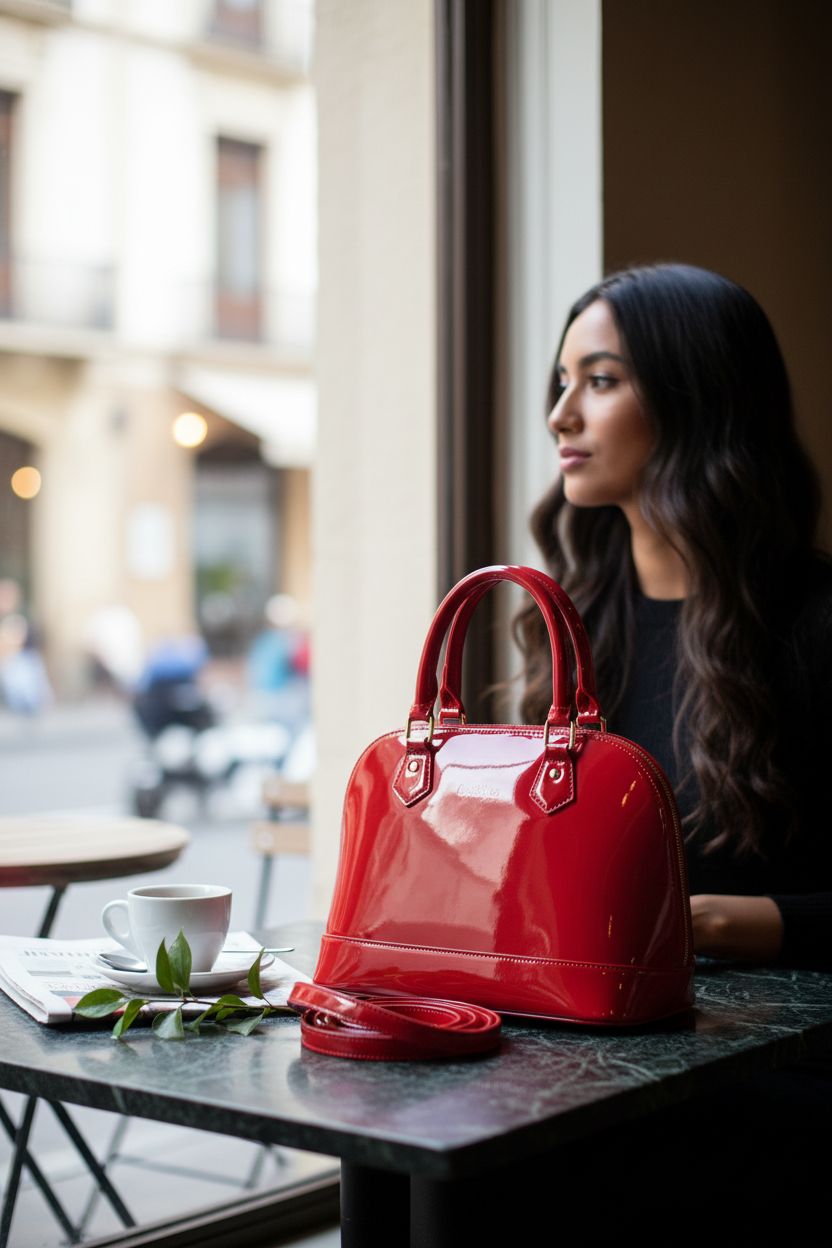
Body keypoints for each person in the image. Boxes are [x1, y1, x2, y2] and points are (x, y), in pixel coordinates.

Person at [515, 262, 831, 1232]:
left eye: (600, 381)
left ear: (698, 400)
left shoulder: (815, 624)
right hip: (598, 1046)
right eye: (560, 382)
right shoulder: (571, 625)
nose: (561, 415)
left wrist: (734, 924)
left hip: (772, 1067)